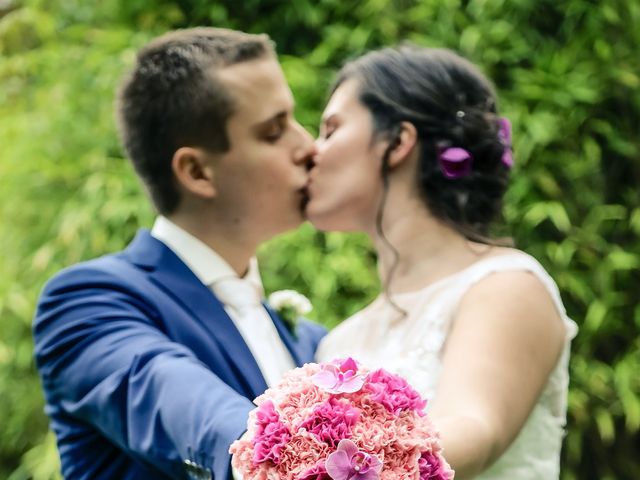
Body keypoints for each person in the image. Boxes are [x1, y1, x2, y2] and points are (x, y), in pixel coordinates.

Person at [33, 27, 325, 480]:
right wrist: (300, 458)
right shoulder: (87, 304)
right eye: (274, 131)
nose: (307, 146)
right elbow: (180, 402)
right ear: (196, 171)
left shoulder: (310, 341)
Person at [310, 45, 577, 479]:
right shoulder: (339, 341)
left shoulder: (506, 286)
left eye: (331, 129)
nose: (311, 153)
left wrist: (322, 469)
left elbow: (474, 427)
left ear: (398, 141)